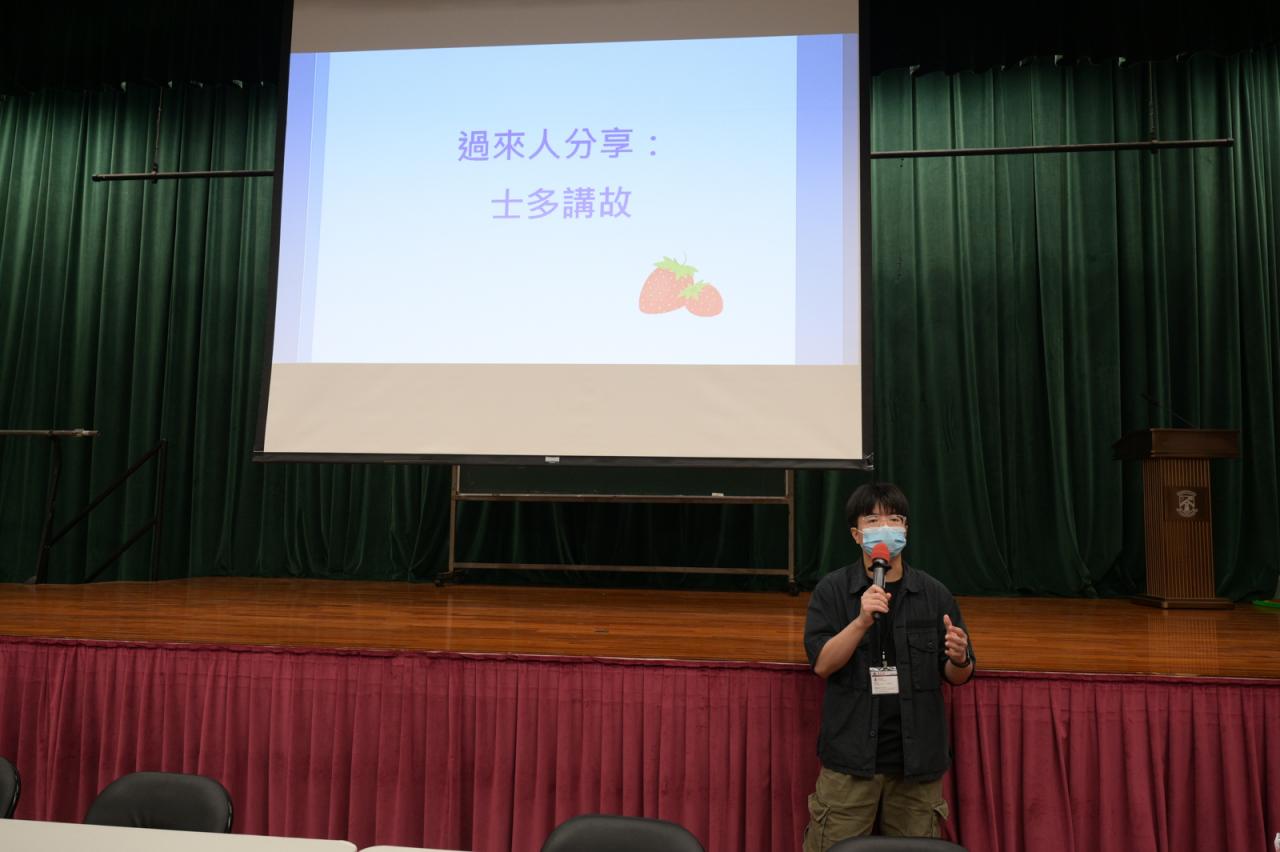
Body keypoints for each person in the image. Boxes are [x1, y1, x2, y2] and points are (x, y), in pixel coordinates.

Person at [802, 482, 974, 850]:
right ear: (856, 534)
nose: (885, 527)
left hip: (917, 762)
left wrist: (959, 658)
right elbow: (823, 665)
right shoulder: (833, 591)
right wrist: (861, 621)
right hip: (851, 760)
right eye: (873, 520)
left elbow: (957, 675)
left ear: (906, 530)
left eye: (894, 520)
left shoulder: (934, 594)